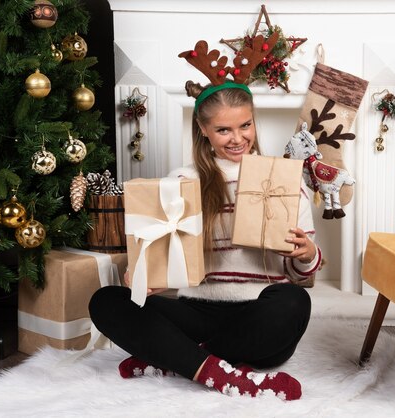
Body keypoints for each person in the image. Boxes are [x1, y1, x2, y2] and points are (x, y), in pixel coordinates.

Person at [89, 79, 322, 401]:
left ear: (254, 121)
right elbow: (163, 258)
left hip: (256, 318)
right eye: (224, 130)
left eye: (245, 125)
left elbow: (301, 275)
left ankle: (178, 359)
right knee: (107, 300)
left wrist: (306, 254)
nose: (238, 138)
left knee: (295, 301)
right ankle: (223, 374)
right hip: (195, 312)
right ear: (203, 129)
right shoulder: (183, 181)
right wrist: (146, 276)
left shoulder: (285, 179)